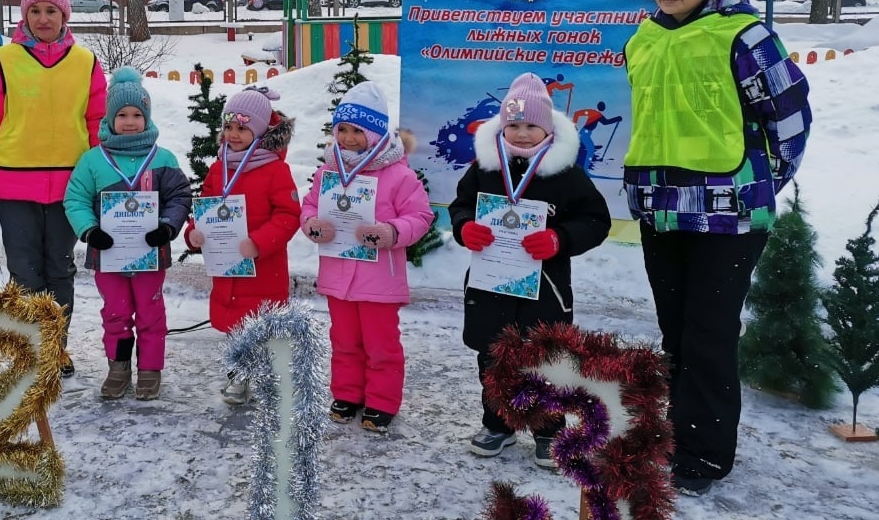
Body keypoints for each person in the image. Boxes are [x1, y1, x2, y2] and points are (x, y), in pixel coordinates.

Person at [623, 0, 811, 495]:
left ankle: (703, 455)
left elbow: (790, 114)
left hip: (728, 214)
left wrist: (762, 183)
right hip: (661, 208)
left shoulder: (744, 36)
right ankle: (676, 434)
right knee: (675, 333)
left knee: (708, 332)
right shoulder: (643, 38)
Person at [449, 73, 611, 465]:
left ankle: (549, 430)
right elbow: (460, 205)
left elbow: (595, 220)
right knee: (493, 358)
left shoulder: (566, 174)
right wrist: (465, 227)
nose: (522, 134)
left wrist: (560, 239)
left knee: (544, 361)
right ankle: (498, 424)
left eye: (531, 126)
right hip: (490, 286)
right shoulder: (484, 169)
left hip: (544, 290)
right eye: (514, 125)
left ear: (549, 129)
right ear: (502, 127)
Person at [0, 0, 107, 378]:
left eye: (51, 11)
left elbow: (96, 124)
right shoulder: (4, 61)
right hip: (15, 184)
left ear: (65, 15)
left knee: (60, 268)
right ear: (24, 15)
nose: (43, 19)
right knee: (24, 271)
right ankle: (30, 347)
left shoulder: (85, 63)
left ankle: (55, 347)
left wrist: (103, 179)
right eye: (35, 10)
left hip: (70, 187)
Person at [301, 82, 434, 434]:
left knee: (381, 345)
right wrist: (312, 225)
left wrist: (391, 232)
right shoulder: (328, 172)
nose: (347, 138)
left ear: (375, 133)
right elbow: (310, 206)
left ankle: (381, 402)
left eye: (357, 131)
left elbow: (421, 217)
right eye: (342, 129)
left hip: (379, 281)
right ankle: (347, 395)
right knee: (344, 341)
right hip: (337, 277)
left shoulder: (399, 175)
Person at [64, 67, 192, 400]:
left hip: (151, 256)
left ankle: (150, 369)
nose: (130, 121)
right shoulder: (93, 160)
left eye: (137, 114)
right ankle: (118, 367)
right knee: (116, 313)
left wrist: (167, 226)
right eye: (122, 115)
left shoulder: (163, 158)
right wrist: (90, 230)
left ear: (147, 117)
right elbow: (75, 199)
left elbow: (180, 197)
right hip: (109, 257)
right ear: (110, 117)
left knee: (151, 312)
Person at [184, 86, 301, 405]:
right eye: (229, 126)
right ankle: (239, 375)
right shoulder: (218, 168)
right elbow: (205, 209)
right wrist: (194, 233)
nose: (233, 134)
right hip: (228, 266)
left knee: (260, 326)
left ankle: (265, 375)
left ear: (260, 131)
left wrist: (259, 243)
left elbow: (289, 215)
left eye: (242, 128)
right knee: (235, 324)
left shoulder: (276, 170)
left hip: (263, 268)